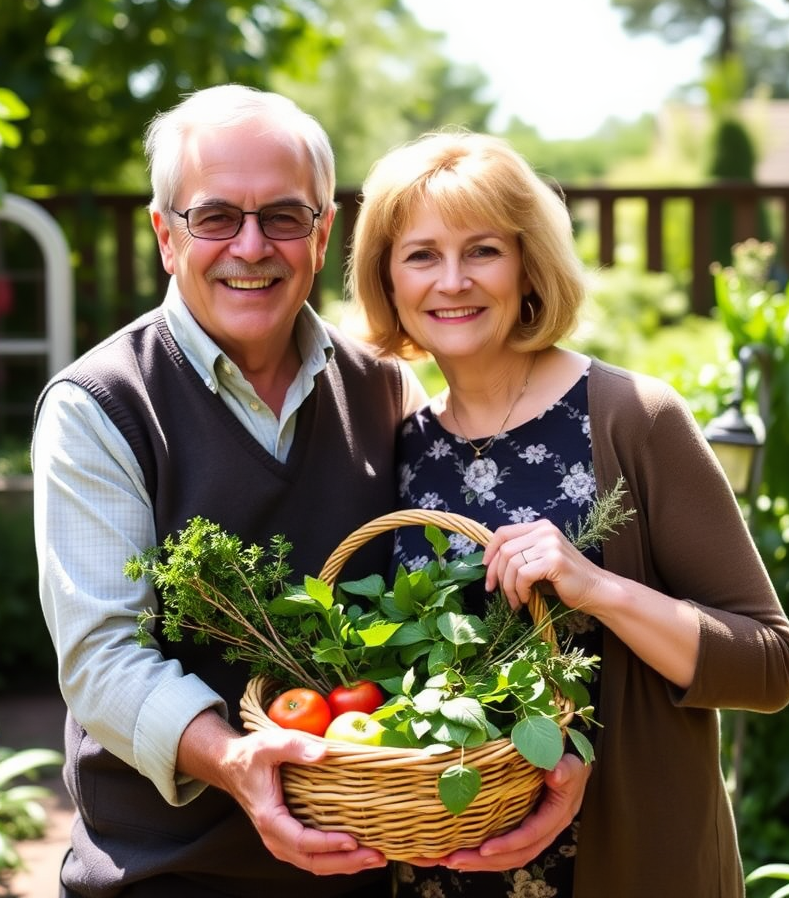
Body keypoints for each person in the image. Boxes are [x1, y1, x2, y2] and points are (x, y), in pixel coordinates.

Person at [32, 86, 588, 898]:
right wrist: (236, 761)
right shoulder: (103, 406)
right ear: (164, 235)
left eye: (285, 218)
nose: (251, 247)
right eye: (216, 217)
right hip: (169, 872)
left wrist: (542, 742)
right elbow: (101, 660)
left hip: (366, 867)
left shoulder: (383, 390)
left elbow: (456, 609)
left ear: (323, 234)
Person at [348, 130, 789, 898]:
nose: (452, 281)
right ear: (387, 280)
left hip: (621, 864)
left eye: (483, 250)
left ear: (528, 265)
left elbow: (770, 664)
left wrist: (598, 588)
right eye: (422, 254)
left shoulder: (631, 417)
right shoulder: (403, 444)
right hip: (442, 874)